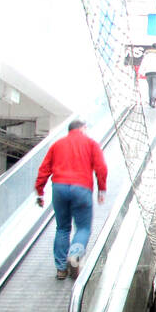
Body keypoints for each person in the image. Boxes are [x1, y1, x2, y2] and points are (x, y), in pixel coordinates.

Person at [35, 118, 108, 280]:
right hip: (81, 188)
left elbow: (44, 169)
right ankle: (74, 254)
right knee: (83, 228)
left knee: (62, 228)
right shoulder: (91, 144)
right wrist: (101, 189)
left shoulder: (57, 145)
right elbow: (101, 168)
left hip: (59, 187)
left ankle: (61, 269)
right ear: (83, 128)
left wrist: (40, 192)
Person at [141, 45, 156, 109]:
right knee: (155, 88)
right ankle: (153, 100)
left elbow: (143, 63)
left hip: (148, 73)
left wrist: (141, 72)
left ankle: (150, 101)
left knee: (150, 87)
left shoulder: (147, 55)